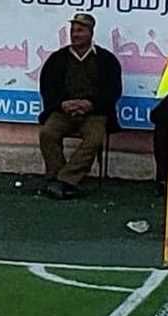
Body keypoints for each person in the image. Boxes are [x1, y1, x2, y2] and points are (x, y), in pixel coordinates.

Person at [38, 13, 122, 200]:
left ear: (90, 33)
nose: (75, 34)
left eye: (80, 30)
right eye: (73, 30)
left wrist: (91, 104)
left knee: (94, 138)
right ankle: (56, 175)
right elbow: (47, 87)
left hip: (94, 113)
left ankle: (66, 180)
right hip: (63, 111)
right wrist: (62, 103)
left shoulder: (106, 60)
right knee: (47, 133)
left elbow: (113, 90)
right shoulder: (58, 58)